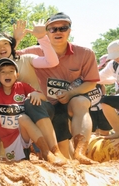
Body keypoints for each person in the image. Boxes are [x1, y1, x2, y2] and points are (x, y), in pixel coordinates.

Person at [18, 12, 99, 164]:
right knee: (62, 159)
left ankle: (80, 153)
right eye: (53, 29)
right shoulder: (32, 52)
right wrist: (16, 39)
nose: (58, 32)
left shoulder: (85, 53)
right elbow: (7, 58)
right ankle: (51, 152)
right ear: (46, 32)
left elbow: (92, 82)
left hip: (71, 103)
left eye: (63, 28)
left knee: (81, 101)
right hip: (46, 107)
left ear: (70, 31)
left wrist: (71, 93)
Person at [0, 20, 66, 162]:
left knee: (29, 103)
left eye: (6, 43)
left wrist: (42, 37)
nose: (2, 47)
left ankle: (52, 151)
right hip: (12, 123)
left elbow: (52, 62)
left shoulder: (26, 59)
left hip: (38, 106)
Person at [98, 39, 119, 139]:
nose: (117, 59)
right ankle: (118, 131)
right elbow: (99, 77)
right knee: (105, 101)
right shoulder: (113, 64)